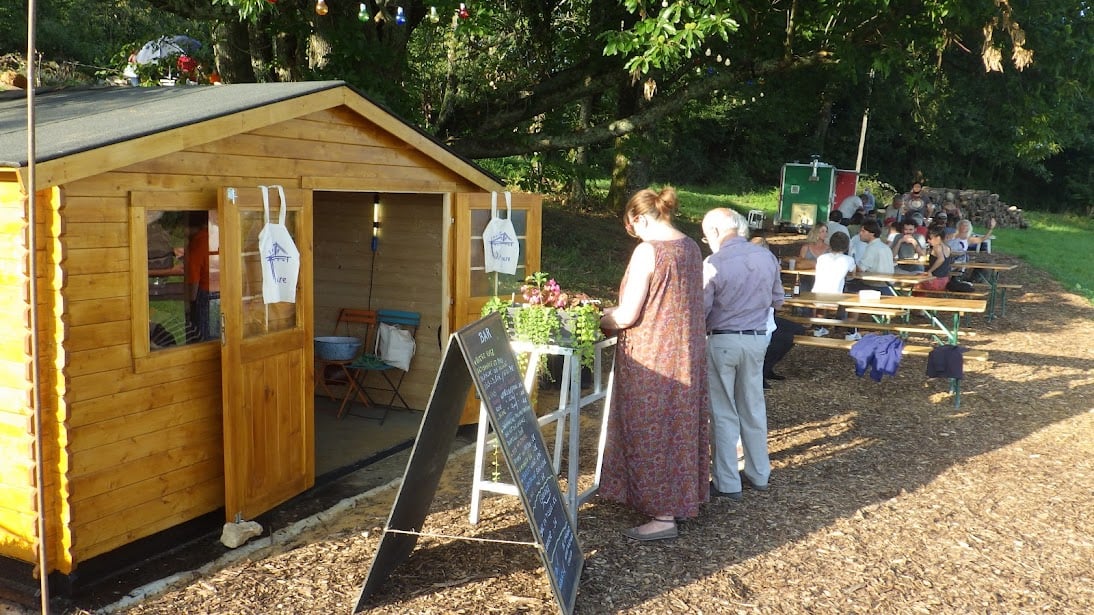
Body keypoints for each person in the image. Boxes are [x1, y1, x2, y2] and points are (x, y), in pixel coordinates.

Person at [598, 187, 709, 541]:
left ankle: (662, 516)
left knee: (652, 428)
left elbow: (628, 314)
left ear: (640, 218)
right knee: (679, 428)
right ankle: (678, 501)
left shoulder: (650, 251)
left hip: (653, 353)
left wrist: (598, 317)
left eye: (632, 228)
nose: (634, 235)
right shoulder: (691, 247)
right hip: (686, 353)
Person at [702, 208, 784, 499]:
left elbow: (702, 310)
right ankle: (759, 473)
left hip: (722, 340)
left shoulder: (714, 262)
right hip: (757, 339)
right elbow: (778, 301)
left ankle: (727, 482)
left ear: (713, 232)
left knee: (723, 412)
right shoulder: (766, 257)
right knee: (753, 406)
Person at [845, 220, 896, 296]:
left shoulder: (872, 248)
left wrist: (848, 267)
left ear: (872, 233)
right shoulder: (884, 246)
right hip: (888, 285)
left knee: (846, 288)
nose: (860, 234)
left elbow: (860, 269)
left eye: (863, 231)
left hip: (875, 286)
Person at [185, 212, 213, 341]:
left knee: (202, 340)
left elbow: (193, 285)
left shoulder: (197, 243)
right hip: (224, 292)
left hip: (205, 294)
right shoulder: (217, 235)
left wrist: (189, 304)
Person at [916, 226, 954, 291]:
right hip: (945, 280)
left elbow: (941, 259)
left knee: (915, 283)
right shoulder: (948, 247)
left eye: (930, 238)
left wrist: (930, 271)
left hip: (935, 280)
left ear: (938, 238)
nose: (928, 240)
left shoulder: (937, 247)